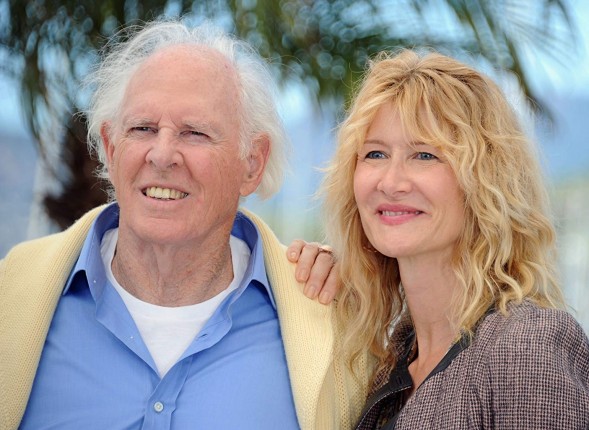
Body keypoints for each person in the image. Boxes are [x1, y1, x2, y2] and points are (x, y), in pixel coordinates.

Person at [0, 19, 372, 430]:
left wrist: (361, 276)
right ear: (110, 147)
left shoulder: (333, 322)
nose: (162, 155)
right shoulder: (12, 296)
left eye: (194, 133)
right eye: (142, 128)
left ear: (252, 163)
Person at [289, 49, 589, 429]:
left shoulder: (526, 347)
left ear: (485, 180)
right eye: (375, 154)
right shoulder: (388, 361)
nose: (391, 182)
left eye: (424, 155)